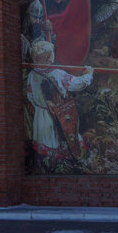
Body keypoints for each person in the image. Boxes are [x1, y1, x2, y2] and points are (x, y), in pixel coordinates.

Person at [25, 40, 93, 170]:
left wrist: (42, 105)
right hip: (60, 114)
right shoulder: (57, 74)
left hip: (41, 117)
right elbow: (78, 84)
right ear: (49, 57)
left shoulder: (31, 76)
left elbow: (30, 97)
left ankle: (49, 167)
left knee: (46, 145)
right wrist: (89, 74)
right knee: (66, 141)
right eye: (52, 53)